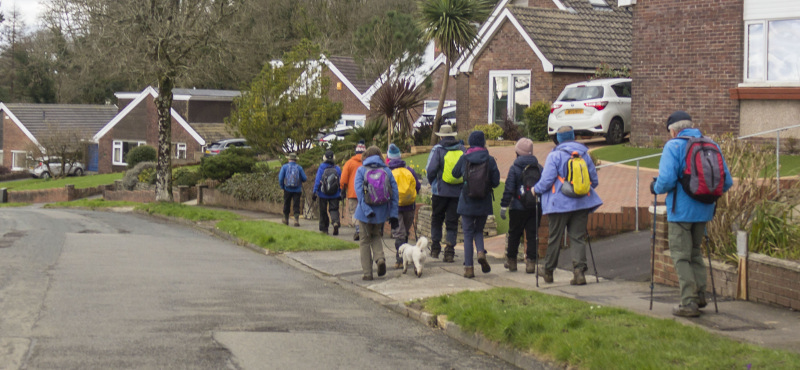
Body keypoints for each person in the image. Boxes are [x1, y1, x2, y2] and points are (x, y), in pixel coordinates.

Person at [650, 110, 733, 317]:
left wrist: (655, 187)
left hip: (681, 211)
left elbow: (667, 179)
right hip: (704, 210)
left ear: (673, 130)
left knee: (680, 256)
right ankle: (701, 295)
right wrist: (707, 196)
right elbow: (727, 181)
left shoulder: (674, 146)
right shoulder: (711, 144)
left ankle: (689, 302)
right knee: (695, 253)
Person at [533, 126, 603, 285]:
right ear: (573, 137)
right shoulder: (584, 154)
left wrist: (535, 190)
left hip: (559, 204)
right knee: (578, 238)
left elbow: (546, 181)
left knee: (555, 237)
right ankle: (579, 273)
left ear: (558, 139)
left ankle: (549, 271)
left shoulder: (555, 155)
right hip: (581, 203)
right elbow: (594, 181)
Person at [451, 131, 500, 278]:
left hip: (466, 201)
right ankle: (480, 252)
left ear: (470, 142)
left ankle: (468, 268)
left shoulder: (464, 158)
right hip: (483, 201)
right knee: (478, 230)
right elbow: (497, 182)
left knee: (467, 233)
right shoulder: (489, 159)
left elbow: (454, 174)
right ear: (483, 142)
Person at [353, 146, 399, 281]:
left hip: (364, 213)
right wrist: (393, 215)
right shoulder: (386, 170)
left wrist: (367, 211)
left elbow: (359, 193)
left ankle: (367, 273)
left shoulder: (361, 170)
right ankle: (379, 259)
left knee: (364, 241)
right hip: (381, 212)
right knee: (376, 236)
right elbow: (394, 193)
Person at [500, 138, 543, 273]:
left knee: (514, 234)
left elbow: (509, 188)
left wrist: (504, 205)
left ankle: (511, 261)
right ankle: (531, 263)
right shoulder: (539, 167)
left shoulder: (515, 168)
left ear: (518, 153)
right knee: (532, 235)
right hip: (535, 206)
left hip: (517, 208)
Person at [425, 124, 465, 262]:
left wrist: (433, 183)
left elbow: (430, 170)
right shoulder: (461, 148)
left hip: (440, 192)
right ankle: (449, 251)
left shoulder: (438, 149)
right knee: (452, 221)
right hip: (457, 193)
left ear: (440, 136)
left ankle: (435, 248)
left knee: (437, 219)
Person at [386, 143, 422, 269]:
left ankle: (400, 259)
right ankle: (406, 257)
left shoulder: (389, 172)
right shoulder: (409, 170)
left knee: (399, 234)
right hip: (409, 206)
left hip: (395, 208)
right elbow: (417, 186)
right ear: (400, 157)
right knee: (405, 232)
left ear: (389, 158)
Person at [341, 140, 367, 241]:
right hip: (366, 193)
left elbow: (343, 179)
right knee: (365, 211)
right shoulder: (367, 163)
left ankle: (358, 229)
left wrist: (342, 188)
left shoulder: (349, 163)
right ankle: (365, 230)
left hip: (353, 193)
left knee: (354, 212)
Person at [312, 150, 342, 235]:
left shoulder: (322, 167)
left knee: (323, 211)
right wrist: (340, 192)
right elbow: (341, 181)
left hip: (323, 193)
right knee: (334, 209)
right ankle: (335, 222)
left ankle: (324, 229)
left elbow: (318, 180)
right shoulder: (337, 168)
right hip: (335, 194)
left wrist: (314, 192)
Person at [278, 152, 308, 227]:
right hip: (297, 190)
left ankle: (285, 219)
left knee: (286, 203)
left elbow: (280, 178)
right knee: (296, 205)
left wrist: (282, 186)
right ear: (295, 160)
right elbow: (305, 178)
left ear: (289, 159)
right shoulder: (299, 167)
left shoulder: (284, 167)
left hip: (287, 189)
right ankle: (296, 220)